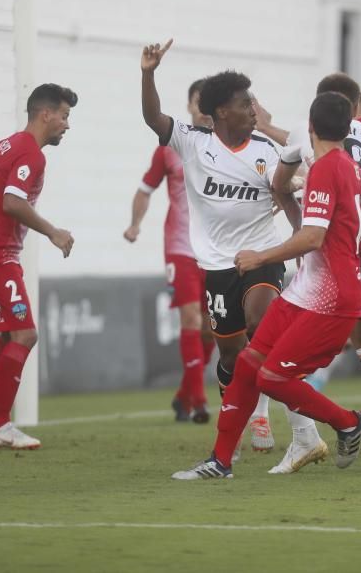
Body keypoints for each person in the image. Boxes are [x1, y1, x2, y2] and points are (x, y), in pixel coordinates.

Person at [173, 91, 361, 480]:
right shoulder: (338, 163)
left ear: (310, 127)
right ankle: (221, 461)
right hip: (309, 289)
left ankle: (348, 421)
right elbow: (288, 189)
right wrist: (281, 184)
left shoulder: (329, 168)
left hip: (332, 299)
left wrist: (261, 257)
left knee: (273, 377)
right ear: (348, 129)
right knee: (247, 364)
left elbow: (313, 237)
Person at [140, 39, 297, 453]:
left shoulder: (266, 150)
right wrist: (148, 73)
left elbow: (284, 195)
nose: (253, 111)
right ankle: (236, 413)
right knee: (229, 353)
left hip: (262, 255)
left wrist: (304, 241)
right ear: (222, 112)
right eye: (246, 104)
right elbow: (153, 117)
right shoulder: (193, 142)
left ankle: (261, 416)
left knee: (260, 325)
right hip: (216, 264)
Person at [270, 73, 361, 473]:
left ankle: (305, 437)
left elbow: (281, 181)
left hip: (345, 248)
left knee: (290, 342)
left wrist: (296, 216)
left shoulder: (306, 132)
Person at [0, 83, 77, 450]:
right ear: (45, 114)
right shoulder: (31, 154)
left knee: (9, 335)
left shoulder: (8, 143)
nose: (67, 125)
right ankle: (0, 425)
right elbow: (10, 201)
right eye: (65, 116)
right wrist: (53, 232)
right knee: (25, 335)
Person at [124, 78, 217, 424]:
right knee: (191, 319)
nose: (205, 109)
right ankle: (200, 402)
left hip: (215, 249)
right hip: (180, 247)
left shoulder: (224, 146)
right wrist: (135, 224)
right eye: (200, 101)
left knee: (211, 329)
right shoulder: (169, 146)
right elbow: (145, 189)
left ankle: (184, 394)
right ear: (191, 106)